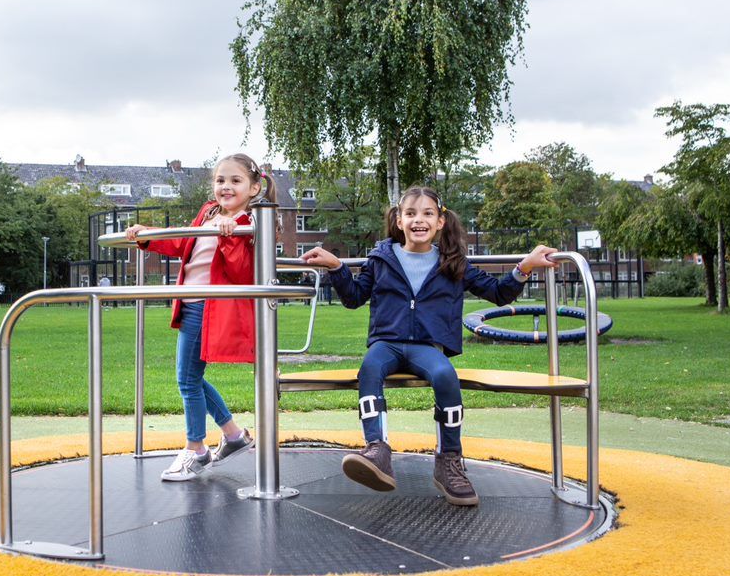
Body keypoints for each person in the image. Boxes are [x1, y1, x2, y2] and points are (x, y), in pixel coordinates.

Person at [302, 186, 557, 506]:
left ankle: (448, 460)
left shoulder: (453, 263)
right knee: (369, 367)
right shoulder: (381, 258)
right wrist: (337, 268)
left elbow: (497, 293)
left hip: (427, 347)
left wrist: (526, 266)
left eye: (427, 214)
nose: (418, 220)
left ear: (440, 222)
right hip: (387, 343)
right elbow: (354, 297)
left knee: (445, 376)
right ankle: (377, 450)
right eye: (410, 213)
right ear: (398, 220)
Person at [124, 153, 272, 482]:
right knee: (192, 378)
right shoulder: (208, 212)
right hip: (190, 303)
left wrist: (230, 235)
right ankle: (234, 436)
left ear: (253, 187)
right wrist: (147, 234)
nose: (226, 187)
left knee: (188, 380)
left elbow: (241, 271)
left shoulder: (249, 222)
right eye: (221, 180)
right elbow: (183, 242)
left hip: (211, 306)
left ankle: (196, 449)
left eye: (235, 181)